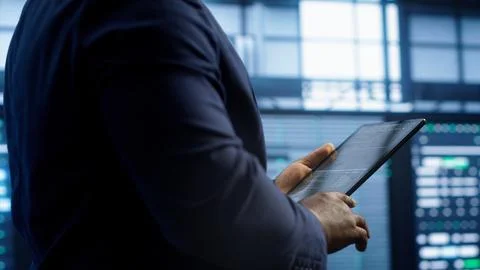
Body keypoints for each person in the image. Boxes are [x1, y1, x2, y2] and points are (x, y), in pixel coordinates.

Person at [4, 0, 370, 269]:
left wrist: (265, 200)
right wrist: (313, 227)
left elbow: (134, 190)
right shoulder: (145, 11)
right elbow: (211, 212)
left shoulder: (40, 14)